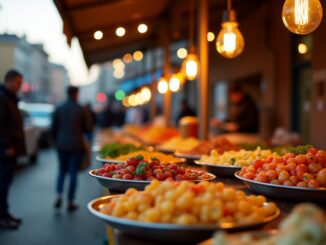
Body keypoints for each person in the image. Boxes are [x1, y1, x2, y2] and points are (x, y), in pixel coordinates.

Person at [51, 86, 90, 212]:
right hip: (76, 145)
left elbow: (53, 128)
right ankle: (70, 201)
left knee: (62, 170)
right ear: (76, 94)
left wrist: (56, 141)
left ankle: (58, 195)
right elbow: (88, 128)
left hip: (61, 145)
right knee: (73, 172)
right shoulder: (80, 109)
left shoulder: (59, 108)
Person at [0, 70, 25, 229]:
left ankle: (5, 213)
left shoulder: (10, 98)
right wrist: (6, 146)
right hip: (5, 151)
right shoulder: (2, 98)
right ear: (9, 81)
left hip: (11, 149)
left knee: (6, 183)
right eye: (18, 82)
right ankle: (2, 217)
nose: (20, 86)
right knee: (2, 183)